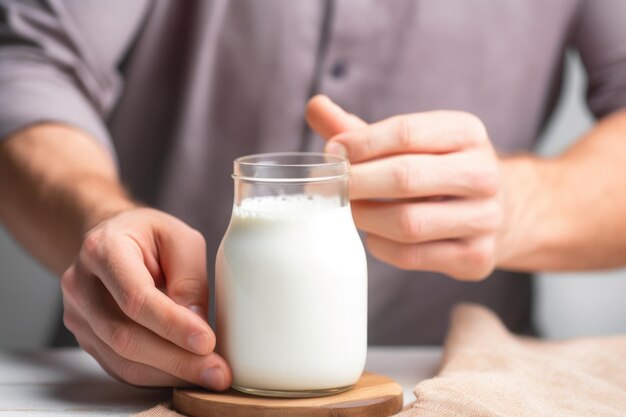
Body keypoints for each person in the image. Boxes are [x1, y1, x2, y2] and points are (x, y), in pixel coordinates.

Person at [0, 0, 625, 391]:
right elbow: (28, 62)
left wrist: (523, 203)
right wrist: (100, 215)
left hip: (460, 384)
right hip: (125, 384)